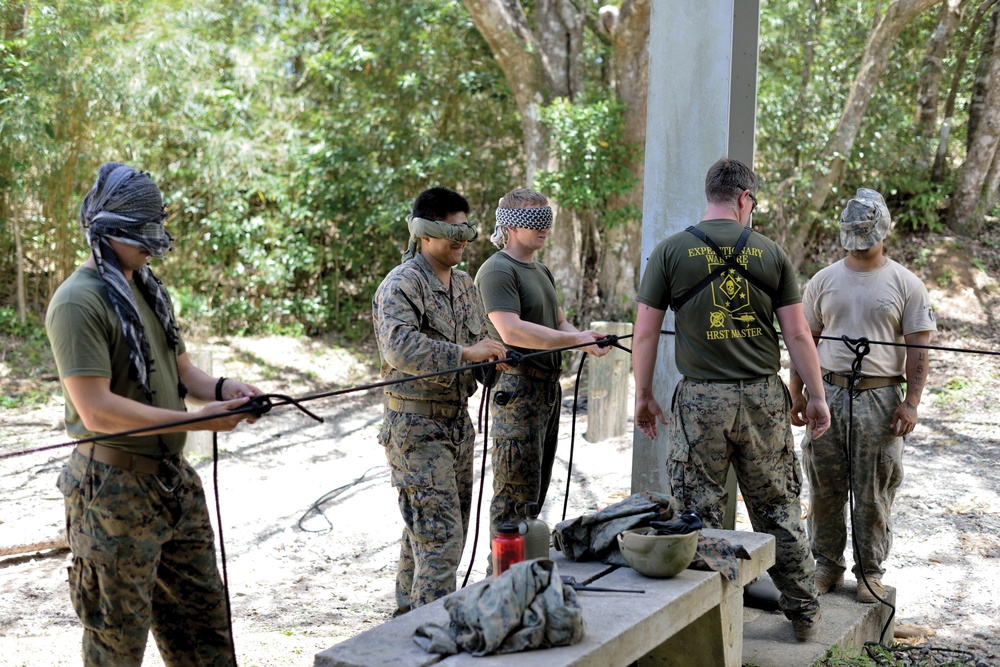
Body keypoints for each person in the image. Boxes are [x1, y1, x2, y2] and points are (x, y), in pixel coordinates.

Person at [46, 161, 263, 666]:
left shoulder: (146, 289)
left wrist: (228, 391)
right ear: (108, 230)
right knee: (117, 645)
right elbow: (96, 410)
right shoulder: (79, 301)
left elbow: (186, 374)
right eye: (141, 232)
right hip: (111, 491)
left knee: (204, 629)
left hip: (172, 484)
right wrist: (199, 421)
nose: (153, 243)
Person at [631, 158, 831, 641]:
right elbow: (799, 335)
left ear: (711, 194)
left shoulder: (670, 252)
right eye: (753, 202)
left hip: (700, 401)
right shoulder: (771, 253)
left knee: (696, 512)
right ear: (744, 197)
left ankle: (703, 622)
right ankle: (803, 612)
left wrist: (642, 394)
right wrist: (818, 397)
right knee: (778, 507)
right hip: (763, 398)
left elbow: (645, 333)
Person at [790, 188, 935, 604]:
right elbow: (804, 341)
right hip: (827, 392)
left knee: (874, 489)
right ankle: (827, 566)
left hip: (880, 398)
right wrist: (798, 393)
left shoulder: (906, 284)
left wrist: (911, 403)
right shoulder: (823, 280)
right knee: (824, 484)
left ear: (883, 231)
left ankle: (870, 571)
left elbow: (918, 350)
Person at [372, 187, 506, 616]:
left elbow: (481, 338)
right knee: (441, 538)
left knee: (432, 534)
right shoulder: (401, 284)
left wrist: (492, 359)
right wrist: (466, 355)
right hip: (415, 428)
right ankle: (430, 636)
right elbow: (399, 349)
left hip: (455, 424)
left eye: (466, 228)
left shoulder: (464, 284)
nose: (462, 239)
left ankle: (405, 620)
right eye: (451, 230)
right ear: (424, 232)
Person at [474, 188, 609, 549]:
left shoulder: (541, 270)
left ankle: (525, 576)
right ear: (512, 226)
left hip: (547, 391)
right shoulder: (497, 270)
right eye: (535, 221)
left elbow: (560, 322)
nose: (544, 228)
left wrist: (584, 338)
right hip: (517, 392)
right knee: (513, 500)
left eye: (547, 219)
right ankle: (502, 581)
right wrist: (574, 339)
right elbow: (511, 329)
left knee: (534, 493)